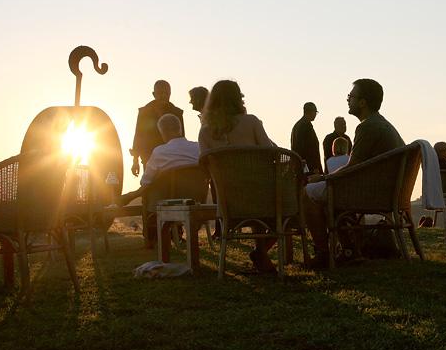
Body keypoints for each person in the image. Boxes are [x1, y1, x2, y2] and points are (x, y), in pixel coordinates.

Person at [304, 78, 404, 268]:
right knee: (327, 194)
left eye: (351, 96)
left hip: (371, 195)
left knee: (307, 193)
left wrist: (323, 178)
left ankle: (324, 253)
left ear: (362, 102)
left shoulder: (368, 127)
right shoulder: (384, 125)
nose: (348, 100)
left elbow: (352, 167)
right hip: (386, 193)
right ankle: (349, 250)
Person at [198, 79, 277, 273]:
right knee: (292, 205)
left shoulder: (205, 132)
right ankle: (261, 251)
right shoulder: (251, 122)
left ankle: (260, 253)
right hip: (262, 198)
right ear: (238, 98)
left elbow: (205, 168)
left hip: (228, 202)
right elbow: (271, 155)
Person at [117, 114, 199, 207]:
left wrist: (131, 195)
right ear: (180, 129)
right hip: (198, 201)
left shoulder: (160, 152)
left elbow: (145, 182)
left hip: (169, 205)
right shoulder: (198, 148)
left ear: (163, 132)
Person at [130, 80, 185, 177]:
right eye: (160, 93)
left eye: (166, 93)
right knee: (149, 184)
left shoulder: (177, 112)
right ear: (154, 94)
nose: (163, 96)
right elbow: (138, 135)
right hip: (149, 157)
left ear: (170, 94)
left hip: (171, 158)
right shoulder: (144, 112)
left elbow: (182, 137)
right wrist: (135, 161)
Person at [291, 102, 322, 174]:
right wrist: (314, 167)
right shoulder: (306, 125)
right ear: (310, 111)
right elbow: (309, 148)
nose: (315, 115)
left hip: (300, 165)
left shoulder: (297, 125)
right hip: (308, 167)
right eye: (315, 112)